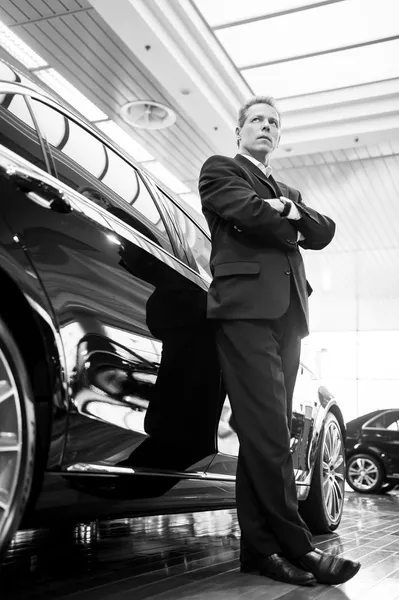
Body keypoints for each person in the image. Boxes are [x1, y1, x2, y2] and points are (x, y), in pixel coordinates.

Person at [198, 96, 360, 587]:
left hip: (290, 316)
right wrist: (282, 217)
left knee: (264, 435)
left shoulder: (287, 189)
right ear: (239, 131)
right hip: (245, 311)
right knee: (268, 429)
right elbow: (245, 210)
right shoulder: (219, 168)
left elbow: (324, 231)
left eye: (274, 122)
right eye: (257, 121)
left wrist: (287, 207)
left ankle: (260, 552)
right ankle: (299, 546)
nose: (266, 127)